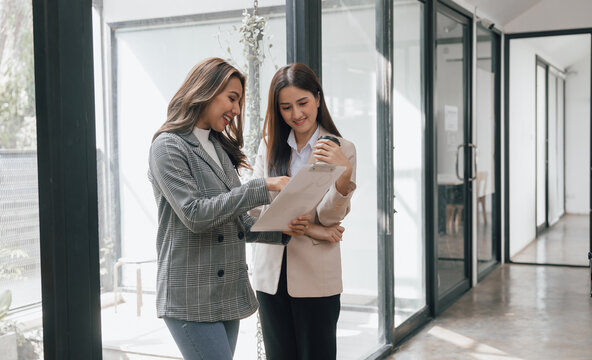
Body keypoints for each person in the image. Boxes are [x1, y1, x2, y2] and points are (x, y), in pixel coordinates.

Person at [147, 57, 310, 360]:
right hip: (189, 297)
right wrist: (263, 187)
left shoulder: (219, 149)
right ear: (205, 90)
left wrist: (280, 230)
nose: (236, 110)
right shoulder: (168, 147)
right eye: (232, 98)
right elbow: (195, 214)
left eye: (238, 101)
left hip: (225, 295)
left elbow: (233, 221)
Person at [250, 63, 357, 360]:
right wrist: (313, 229)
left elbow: (331, 217)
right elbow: (258, 209)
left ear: (318, 99)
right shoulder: (269, 146)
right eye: (286, 107)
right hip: (271, 274)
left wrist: (344, 173)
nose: (296, 114)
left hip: (317, 274)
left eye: (303, 103)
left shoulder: (343, 149)